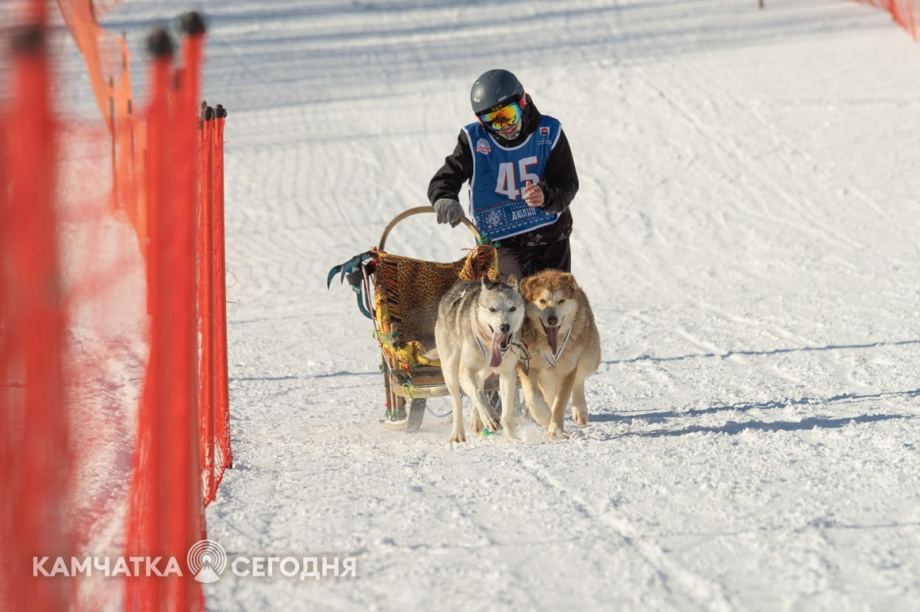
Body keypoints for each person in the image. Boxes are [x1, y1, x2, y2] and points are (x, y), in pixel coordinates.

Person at [428, 69, 579, 280]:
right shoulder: (473, 141)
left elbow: (567, 182)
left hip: (550, 234)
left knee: (554, 296)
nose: (505, 126)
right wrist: (444, 197)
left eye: (509, 115)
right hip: (503, 238)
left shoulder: (548, 132)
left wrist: (547, 196)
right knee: (514, 292)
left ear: (522, 102)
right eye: (494, 120)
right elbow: (447, 176)